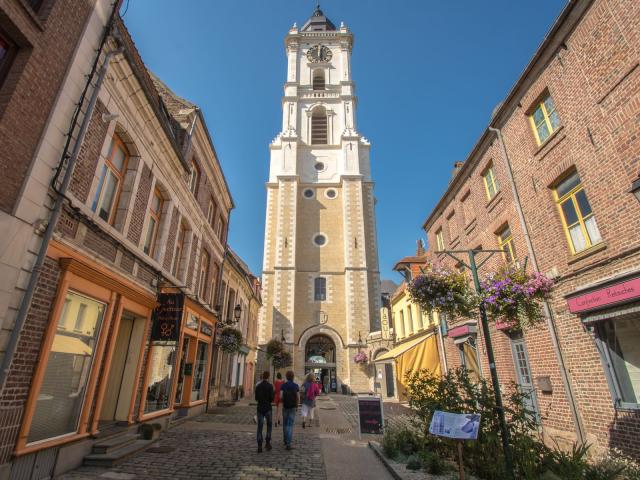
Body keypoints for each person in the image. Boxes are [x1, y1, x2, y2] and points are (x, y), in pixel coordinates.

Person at [279, 370, 300, 450]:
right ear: (293, 377)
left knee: (285, 424)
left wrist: (284, 400)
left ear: (287, 377)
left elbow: (280, 397)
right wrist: (297, 405)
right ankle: (288, 443)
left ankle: (285, 440)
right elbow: (298, 398)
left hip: (285, 406)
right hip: (293, 407)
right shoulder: (296, 386)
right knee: (290, 425)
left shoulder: (283, 385)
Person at [254, 371, 274, 453]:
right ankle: (268, 442)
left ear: (262, 377)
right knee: (269, 426)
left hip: (260, 408)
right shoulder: (270, 386)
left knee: (260, 427)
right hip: (268, 408)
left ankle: (259, 445)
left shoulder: (258, 386)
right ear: (268, 377)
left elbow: (256, 398)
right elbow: (271, 399)